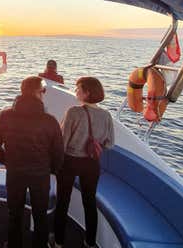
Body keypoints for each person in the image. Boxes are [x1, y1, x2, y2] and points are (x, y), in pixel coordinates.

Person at [0, 76, 64, 248]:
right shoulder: (50, 121)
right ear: (37, 93)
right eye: (43, 91)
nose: (44, 94)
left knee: (14, 213)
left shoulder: (5, 116)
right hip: (40, 175)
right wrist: (50, 169)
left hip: (15, 173)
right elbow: (59, 153)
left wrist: (7, 161)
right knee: (40, 215)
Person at [52, 77, 115, 248]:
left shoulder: (73, 112)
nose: (76, 91)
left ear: (87, 92)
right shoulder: (106, 115)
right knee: (89, 202)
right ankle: (90, 242)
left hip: (70, 162)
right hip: (92, 164)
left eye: (78, 88)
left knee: (62, 202)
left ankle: (58, 242)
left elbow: (62, 142)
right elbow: (109, 143)